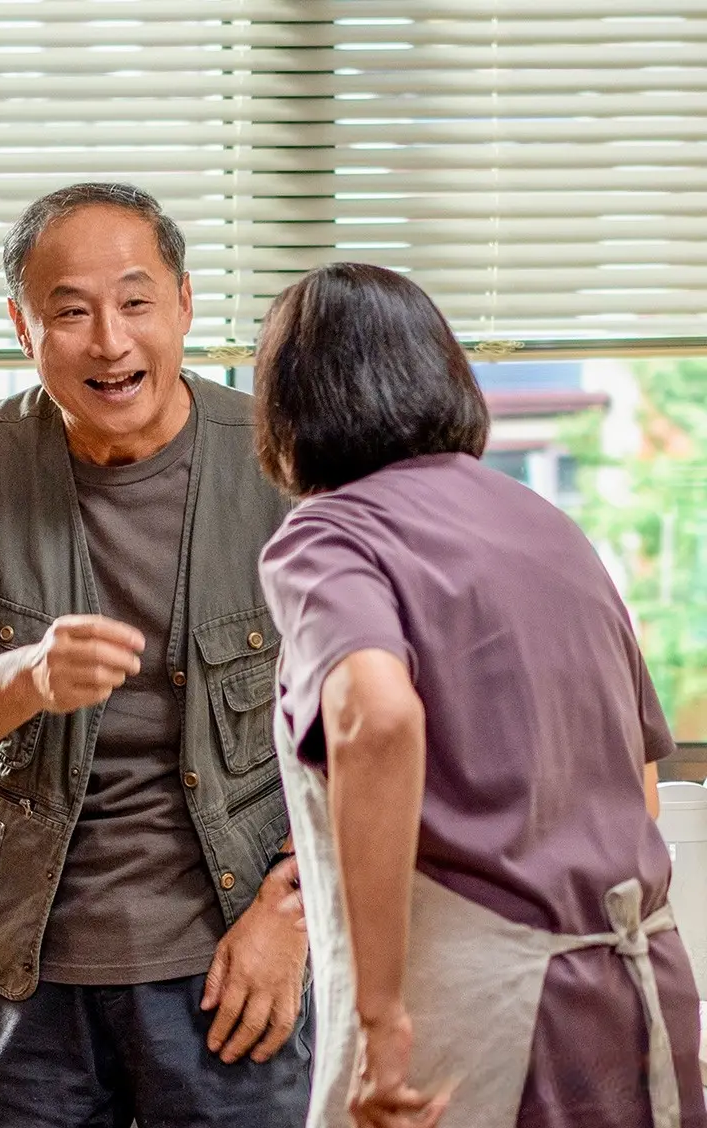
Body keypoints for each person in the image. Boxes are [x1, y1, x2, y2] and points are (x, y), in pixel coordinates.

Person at [0, 182, 312, 1128]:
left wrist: (296, 916)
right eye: (71, 312)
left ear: (184, 304)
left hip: (234, 961)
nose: (110, 342)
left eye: (135, 301)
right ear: (23, 327)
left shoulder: (281, 458)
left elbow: (372, 729)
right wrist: (28, 676)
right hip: (31, 974)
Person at [255, 262, 707, 1128]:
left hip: (480, 1019)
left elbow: (377, 717)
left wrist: (380, 1015)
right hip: (634, 991)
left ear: (290, 407)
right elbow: (640, 791)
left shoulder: (330, 534)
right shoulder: (546, 526)